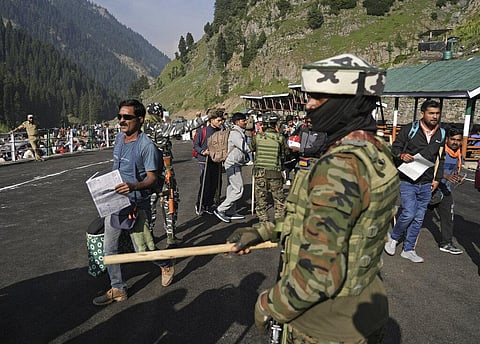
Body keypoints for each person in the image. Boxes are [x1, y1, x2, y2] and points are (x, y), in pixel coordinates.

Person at [228, 53, 400, 343]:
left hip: (323, 326)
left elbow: (319, 274)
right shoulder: (376, 151)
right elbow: (328, 224)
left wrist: (269, 305)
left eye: (317, 96)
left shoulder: (341, 167)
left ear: (346, 102)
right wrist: (262, 231)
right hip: (364, 315)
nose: (307, 104)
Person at [93, 99, 174, 306]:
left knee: (143, 249)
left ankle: (165, 264)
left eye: (127, 117)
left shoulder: (146, 146)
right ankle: (118, 288)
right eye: (119, 116)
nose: (121, 121)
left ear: (140, 119)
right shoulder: (120, 139)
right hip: (115, 202)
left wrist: (134, 187)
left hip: (137, 203)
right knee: (109, 248)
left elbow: (152, 178)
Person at [385, 99, 445, 263]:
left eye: (437, 113)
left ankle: (409, 249)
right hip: (408, 180)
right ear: (422, 113)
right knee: (409, 213)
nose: (434, 117)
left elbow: (441, 158)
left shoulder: (441, 133)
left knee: (419, 218)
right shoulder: (409, 129)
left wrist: (437, 179)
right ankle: (394, 238)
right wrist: (402, 155)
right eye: (431, 113)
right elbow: (395, 148)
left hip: (427, 182)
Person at [143, 102, 206, 246]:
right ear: (159, 113)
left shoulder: (143, 128)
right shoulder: (160, 127)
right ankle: (170, 236)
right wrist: (205, 118)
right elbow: (184, 127)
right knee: (170, 200)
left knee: (149, 204)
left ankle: (149, 235)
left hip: (147, 172)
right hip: (164, 171)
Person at [249, 112, 288, 223]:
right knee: (279, 200)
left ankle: (264, 223)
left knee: (261, 201)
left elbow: (251, 148)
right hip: (275, 172)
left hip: (260, 173)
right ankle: (279, 224)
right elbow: (285, 153)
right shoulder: (280, 138)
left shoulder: (257, 137)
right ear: (276, 124)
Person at [214, 112, 251, 223]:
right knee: (238, 189)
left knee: (231, 188)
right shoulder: (235, 133)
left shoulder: (237, 132)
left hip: (234, 163)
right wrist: (255, 147)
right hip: (233, 163)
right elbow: (245, 147)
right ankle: (221, 209)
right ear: (237, 122)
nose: (245, 122)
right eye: (243, 120)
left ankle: (230, 211)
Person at [432, 127, 464, 254]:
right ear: (447, 139)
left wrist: (458, 178)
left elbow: (454, 172)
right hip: (432, 188)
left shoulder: (458, 155)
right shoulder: (440, 152)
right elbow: (430, 169)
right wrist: (444, 176)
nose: (455, 142)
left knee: (448, 217)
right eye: (453, 139)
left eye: (458, 140)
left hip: (445, 190)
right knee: (415, 216)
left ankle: (446, 243)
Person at [193, 110, 224, 215]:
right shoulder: (203, 131)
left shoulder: (221, 131)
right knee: (205, 184)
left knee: (215, 184)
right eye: (218, 120)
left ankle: (209, 204)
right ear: (211, 120)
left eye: (222, 120)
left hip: (217, 160)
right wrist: (203, 151)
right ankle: (200, 204)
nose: (221, 122)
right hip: (204, 161)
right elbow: (196, 145)